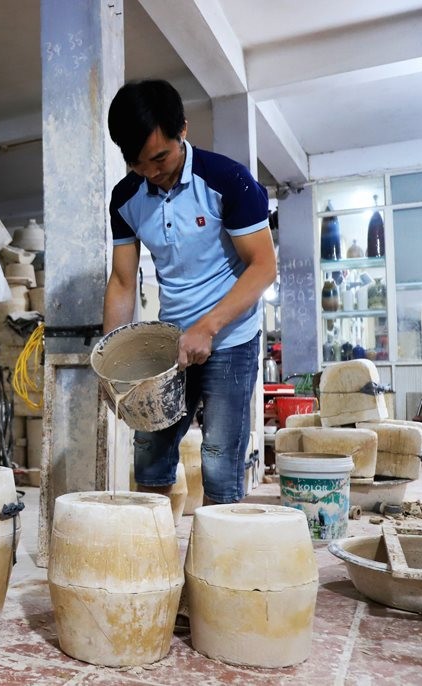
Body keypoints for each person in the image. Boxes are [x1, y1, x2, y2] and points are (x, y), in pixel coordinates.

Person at [103, 80, 277, 516]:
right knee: (151, 457)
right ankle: (154, 564)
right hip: (168, 346)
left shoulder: (227, 180)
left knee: (219, 462)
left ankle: (219, 576)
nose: (151, 171)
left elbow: (263, 266)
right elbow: (123, 282)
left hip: (229, 340)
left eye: (160, 157)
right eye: (137, 163)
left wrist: (208, 326)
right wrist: (111, 360)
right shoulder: (126, 198)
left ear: (183, 128)